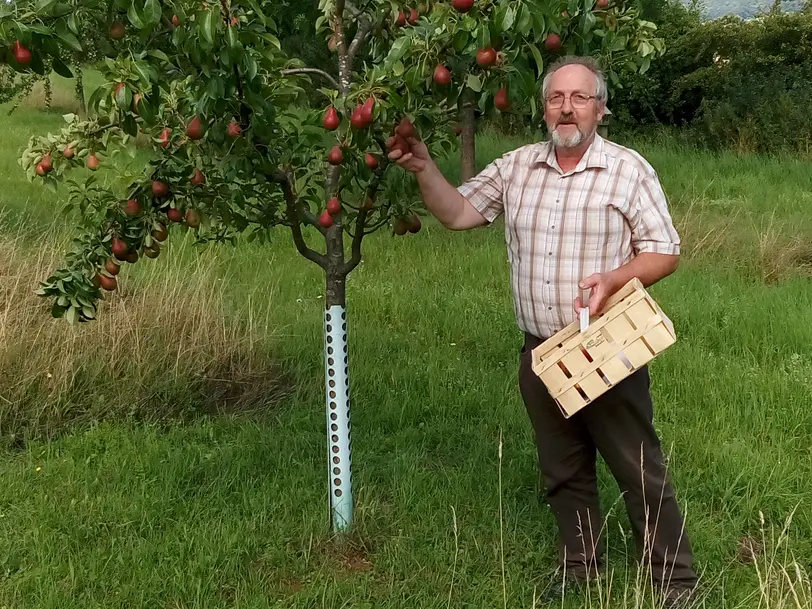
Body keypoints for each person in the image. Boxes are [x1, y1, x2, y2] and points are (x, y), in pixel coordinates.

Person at [387, 55, 698, 607]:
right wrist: (424, 169)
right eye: (556, 97)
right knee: (562, 468)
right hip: (541, 352)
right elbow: (458, 213)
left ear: (600, 109)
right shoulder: (517, 167)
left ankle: (675, 582)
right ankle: (581, 567)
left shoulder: (627, 170)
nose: (567, 107)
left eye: (580, 97)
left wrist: (615, 278)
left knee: (638, 468)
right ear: (544, 107)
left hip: (604, 347)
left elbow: (665, 252)